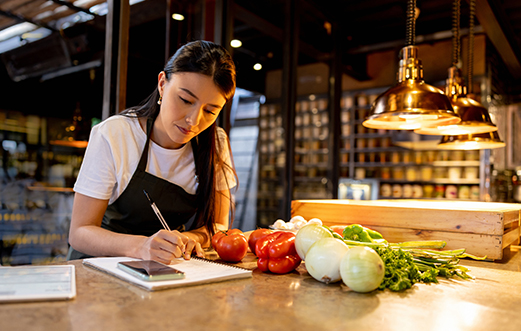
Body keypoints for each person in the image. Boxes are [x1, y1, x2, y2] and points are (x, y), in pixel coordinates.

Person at [67, 40, 237, 264]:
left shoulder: (216, 143)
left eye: (210, 110)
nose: (193, 121)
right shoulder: (115, 134)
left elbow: (217, 225)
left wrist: (187, 239)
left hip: (167, 268)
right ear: (162, 84)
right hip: (98, 267)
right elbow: (79, 232)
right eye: (185, 100)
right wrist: (142, 246)